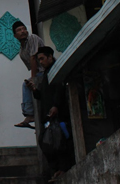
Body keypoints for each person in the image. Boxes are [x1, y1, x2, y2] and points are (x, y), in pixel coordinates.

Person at [26, 46, 74, 182]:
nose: (40, 62)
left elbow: (59, 89)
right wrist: (34, 89)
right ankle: (57, 170)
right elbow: (41, 96)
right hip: (48, 116)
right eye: (39, 59)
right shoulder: (46, 74)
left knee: (59, 143)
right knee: (47, 143)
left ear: (50, 57)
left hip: (58, 116)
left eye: (42, 59)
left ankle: (63, 169)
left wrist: (56, 106)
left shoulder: (56, 71)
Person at [12, 21, 45, 129]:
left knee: (27, 85)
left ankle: (30, 115)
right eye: (19, 30)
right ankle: (32, 116)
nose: (23, 31)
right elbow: (31, 66)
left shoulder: (33, 38)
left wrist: (34, 79)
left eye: (24, 29)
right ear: (15, 35)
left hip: (46, 71)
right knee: (27, 86)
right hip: (39, 74)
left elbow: (33, 59)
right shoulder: (22, 52)